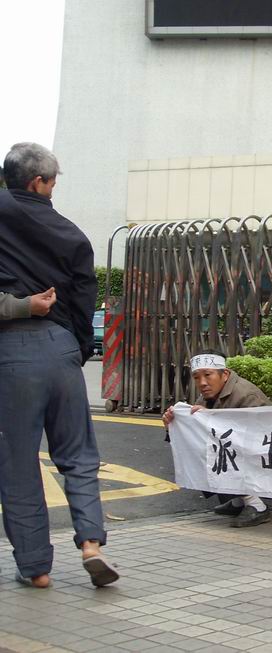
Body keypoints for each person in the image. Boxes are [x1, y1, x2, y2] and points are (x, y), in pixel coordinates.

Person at [0, 142, 119, 588]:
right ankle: (90, 543)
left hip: (10, 352)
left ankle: (36, 569)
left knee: (17, 463)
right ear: (38, 182)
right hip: (62, 348)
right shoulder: (72, 235)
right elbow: (84, 299)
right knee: (78, 454)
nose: (53, 189)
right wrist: (77, 348)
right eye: (53, 182)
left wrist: (19, 307)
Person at [163, 349, 272, 527]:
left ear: (225, 374)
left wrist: (212, 419)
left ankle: (256, 505)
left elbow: (257, 436)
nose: (202, 383)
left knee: (221, 449)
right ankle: (239, 500)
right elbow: (196, 432)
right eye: (197, 377)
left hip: (263, 455)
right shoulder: (208, 394)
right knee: (197, 446)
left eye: (208, 375)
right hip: (239, 452)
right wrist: (173, 426)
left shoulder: (246, 395)